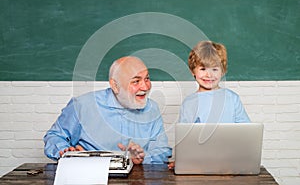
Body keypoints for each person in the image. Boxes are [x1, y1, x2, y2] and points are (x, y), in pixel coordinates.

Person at [44, 56, 172, 165]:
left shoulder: (152, 108)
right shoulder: (83, 105)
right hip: (88, 175)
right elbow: (54, 136)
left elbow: (162, 151)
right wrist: (67, 151)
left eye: (147, 79)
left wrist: (143, 158)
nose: (145, 86)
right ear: (115, 86)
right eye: (136, 81)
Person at [168, 40, 250, 169]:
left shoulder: (232, 98)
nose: (209, 74)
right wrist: (180, 159)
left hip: (229, 162)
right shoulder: (189, 103)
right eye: (203, 68)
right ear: (193, 71)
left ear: (222, 71)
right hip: (198, 163)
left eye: (215, 69)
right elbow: (184, 139)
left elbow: (247, 132)